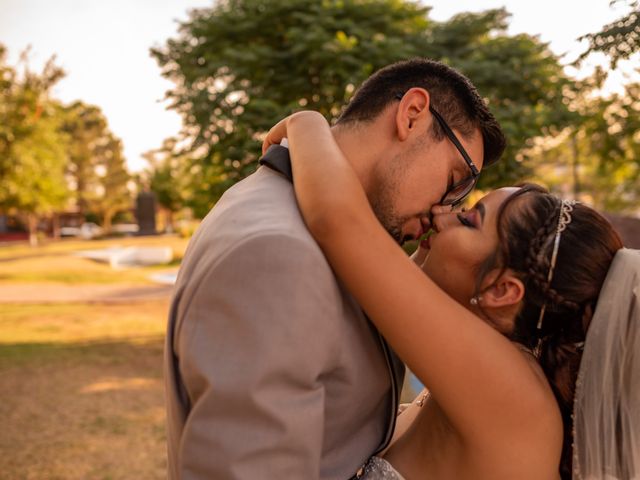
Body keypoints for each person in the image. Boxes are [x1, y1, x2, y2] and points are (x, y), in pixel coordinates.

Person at [164, 58, 506, 479]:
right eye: (457, 180)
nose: (444, 210)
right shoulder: (278, 255)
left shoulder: (293, 217)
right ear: (413, 115)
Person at [264, 110, 638, 479]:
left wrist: (307, 123)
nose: (442, 213)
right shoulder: (494, 379)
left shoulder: (510, 391)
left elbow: (338, 221)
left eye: (469, 220)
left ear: (503, 290)